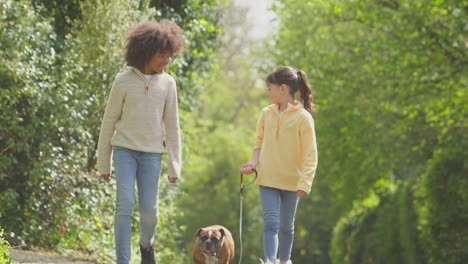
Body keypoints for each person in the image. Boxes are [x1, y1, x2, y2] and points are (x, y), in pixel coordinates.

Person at [97, 20, 185, 264]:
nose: (165, 62)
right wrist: (104, 163)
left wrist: (174, 165)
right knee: (124, 204)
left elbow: (172, 127)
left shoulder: (168, 84)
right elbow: (109, 122)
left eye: (168, 57)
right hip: (124, 150)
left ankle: (146, 245)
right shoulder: (123, 80)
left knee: (150, 212)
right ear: (145, 52)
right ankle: (123, 260)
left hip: (152, 155)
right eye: (161, 56)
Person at [239, 66, 318, 264]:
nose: (268, 92)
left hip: (293, 181)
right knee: (271, 223)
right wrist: (254, 163)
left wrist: (305, 181)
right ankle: (270, 261)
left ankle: (284, 261)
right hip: (268, 178)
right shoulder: (266, 113)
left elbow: (310, 153)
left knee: (286, 227)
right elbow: (258, 143)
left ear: (283, 88)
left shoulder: (303, 118)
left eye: (269, 87)